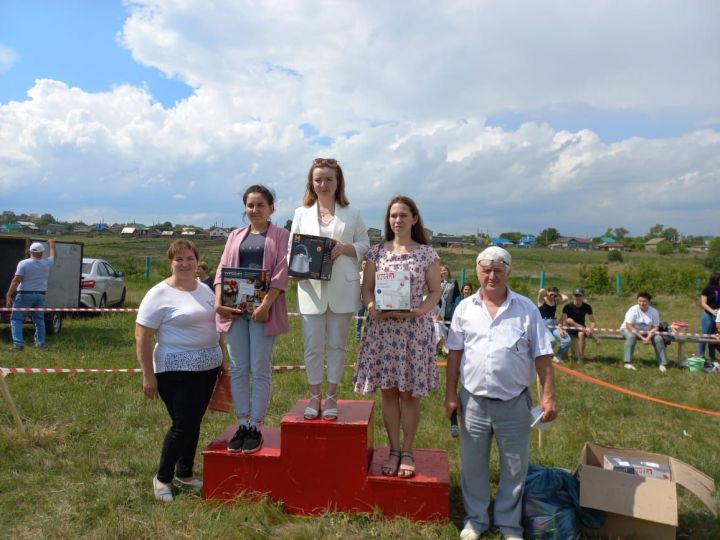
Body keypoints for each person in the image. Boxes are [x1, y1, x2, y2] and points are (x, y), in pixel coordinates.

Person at [444, 246, 557, 540]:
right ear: (477, 272)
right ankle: (476, 519)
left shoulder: (527, 309)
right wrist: (451, 395)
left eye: (498, 269)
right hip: (473, 402)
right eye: (486, 269)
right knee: (473, 466)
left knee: (515, 467)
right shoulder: (464, 309)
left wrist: (549, 396)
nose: (491, 275)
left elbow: (543, 355)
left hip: (515, 403)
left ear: (508, 271)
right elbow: (454, 356)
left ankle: (509, 524)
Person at [354, 196, 441, 479]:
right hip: (383, 332)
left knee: (409, 394)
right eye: (393, 216)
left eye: (404, 215)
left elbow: (436, 292)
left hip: (413, 332)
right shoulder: (376, 254)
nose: (398, 220)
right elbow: (366, 289)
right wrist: (371, 308)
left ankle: (408, 450)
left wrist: (420, 311)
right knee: (389, 392)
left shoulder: (427, 254)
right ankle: (392, 449)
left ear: (415, 219)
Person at [135, 239, 225, 502]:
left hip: (208, 368)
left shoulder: (206, 291)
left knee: (193, 422)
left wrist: (223, 359)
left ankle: (184, 473)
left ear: (197, 261)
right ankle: (162, 478)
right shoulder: (158, 294)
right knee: (183, 424)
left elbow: (216, 328)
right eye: (179, 259)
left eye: (190, 258)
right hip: (175, 369)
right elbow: (142, 336)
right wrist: (147, 374)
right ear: (170, 262)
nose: (185, 263)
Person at [290, 158, 369, 420]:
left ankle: (332, 396)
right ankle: (314, 396)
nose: (323, 184)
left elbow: (365, 245)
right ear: (311, 183)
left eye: (329, 179)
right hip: (311, 289)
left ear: (338, 183)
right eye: (318, 179)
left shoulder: (353, 213)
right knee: (312, 346)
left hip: (342, 290)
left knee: (337, 346)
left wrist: (344, 248)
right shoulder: (301, 213)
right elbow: (293, 249)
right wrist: (294, 269)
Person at [215, 185, 290, 454]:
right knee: (237, 368)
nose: (255, 210)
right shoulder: (235, 235)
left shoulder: (282, 236)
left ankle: (256, 426)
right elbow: (222, 271)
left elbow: (281, 274)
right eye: (250, 205)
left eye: (260, 205)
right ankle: (242, 422)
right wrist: (218, 303)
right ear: (244, 209)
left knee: (259, 369)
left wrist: (266, 306)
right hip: (235, 311)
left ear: (271, 208)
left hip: (263, 313)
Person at [6, 239, 57, 350]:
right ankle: (40, 343)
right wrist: (52, 245)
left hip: (24, 295)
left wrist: (9, 294)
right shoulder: (46, 263)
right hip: (40, 295)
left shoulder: (23, 263)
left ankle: (18, 344)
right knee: (39, 320)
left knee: (16, 319)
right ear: (42, 253)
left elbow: (16, 280)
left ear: (29, 251)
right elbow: (53, 257)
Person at [620, 292, 668, 372]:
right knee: (631, 337)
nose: (642, 303)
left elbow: (655, 327)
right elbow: (629, 326)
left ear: (649, 302)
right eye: (640, 301)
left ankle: (662, 364)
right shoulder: (633, 310)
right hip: (627, 330)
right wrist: (642, 338)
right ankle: (627, 362)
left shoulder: (654, 311)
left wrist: (648, 337)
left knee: (658, 338)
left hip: (646, 332)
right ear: (637, 301)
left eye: (644, 301)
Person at [560, 287, 598, 363]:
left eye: (579, 295)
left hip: (581, 329)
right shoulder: (568, 306)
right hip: (570, 328)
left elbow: (593, 321)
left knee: (581, 334)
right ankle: (568, 354)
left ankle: (581, 357)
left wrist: (591, 329)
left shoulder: (587, 307)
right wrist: (561, 329)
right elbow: (561, 320)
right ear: (573, 296)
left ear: (583, 296)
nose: (577, 297)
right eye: (576, 295)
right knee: (569, 321)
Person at [537, 286, 571, 363]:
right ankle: (547, 357)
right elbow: (541, 291)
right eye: (551, 294)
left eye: (555, 295)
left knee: (567, 340)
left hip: (554, 324)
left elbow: (566, 298)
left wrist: (557, 294)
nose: (553, 296)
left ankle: (558, 356)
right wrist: (548, 294)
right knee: (552, 340)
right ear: (547, 293)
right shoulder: (541, 301)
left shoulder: (555, 301)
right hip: (543, 325)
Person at [698, 273, 719, 361]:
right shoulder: (706, 290)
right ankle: (700, 356)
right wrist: (712, 312)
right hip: (708, 315)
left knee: (714, 336)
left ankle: (712, 356)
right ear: (715, 280)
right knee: (705, 335)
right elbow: (703, 303)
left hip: (718, 315)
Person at [354, 259, 367, 341]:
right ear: (361, 265)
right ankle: (358, 336)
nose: (364, 265)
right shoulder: (358, 275)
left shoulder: (372, 275)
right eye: (363, 264)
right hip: (360, 301)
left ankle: (368, 335)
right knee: (359, 318)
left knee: (370, 319)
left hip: (370, 301)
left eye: (366, 264)